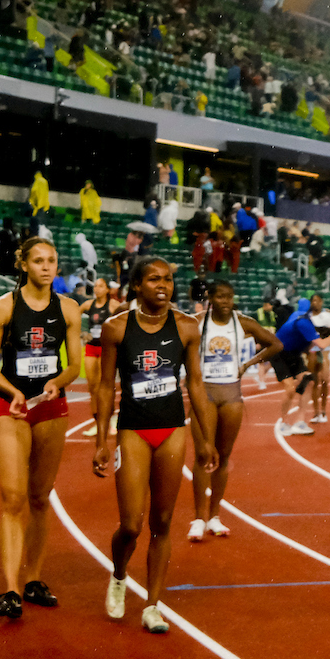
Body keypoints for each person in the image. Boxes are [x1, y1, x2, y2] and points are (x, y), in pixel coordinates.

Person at [93, 258, 219, 634]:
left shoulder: (186, 326)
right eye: (153, 279)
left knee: (162, 522)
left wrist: (206, 439)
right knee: (131, 525)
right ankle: (118, 575)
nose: (163, 285)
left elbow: (195, 383)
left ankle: (152, 605)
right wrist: (103, 439)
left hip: (172, 429)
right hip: (133, 430)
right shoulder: (115, 328)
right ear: (136, 286)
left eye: (167, 279)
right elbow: (104, 386)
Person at [0, 237, 83, 619]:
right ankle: (9, 589)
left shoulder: (69, 309)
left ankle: (34, 579)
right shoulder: (3, 308)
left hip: (51, 407)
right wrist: (10, 391)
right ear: (23, 264)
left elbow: (74, 364)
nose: (46, 267)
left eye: (52, 261)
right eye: (38, 261)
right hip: (13, 407)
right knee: (13, 499)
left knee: (41, 497)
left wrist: (61, 380)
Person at [187, 281, 282, 541]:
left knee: (224, 456)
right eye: (220, 296)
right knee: (203, 455)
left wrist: (247, 365)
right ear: (210, 298)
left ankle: (215, 516)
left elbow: (275, 345)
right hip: (205, 394)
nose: (226, 301)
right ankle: (198, 518)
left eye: (229, 296)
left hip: (232, 396)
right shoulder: (196, 322)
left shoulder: (243, 323)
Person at [271, 298, 330, 436]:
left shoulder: (301, 314)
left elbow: (303, 301)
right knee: (290, 388)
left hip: (293, 353)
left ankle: (299, 422)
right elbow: (322, 345)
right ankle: (283, 423)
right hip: (279, 353)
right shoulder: (305, 323)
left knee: (309, 382)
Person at [78, 278, 121, 438]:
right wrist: (82, 332)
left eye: (100, 286)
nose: (96, 289)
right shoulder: (88, 305)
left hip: (106, 350)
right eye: (95, 286)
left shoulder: (113, 306)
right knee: (92, 387)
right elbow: (73, 316)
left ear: (107, 290)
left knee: (106, 386)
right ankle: (97, 422)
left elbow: (125, 321)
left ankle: (111, 418)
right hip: (91, 348)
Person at [305, 294, 330, 424]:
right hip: (313, 350)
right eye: (313, 300)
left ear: (321, 302)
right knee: (314, 381)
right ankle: (316, 412)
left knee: (325, 380)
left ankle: (324, 410)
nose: (315, 303)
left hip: (325, 349)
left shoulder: (328, 315)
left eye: (317, 300)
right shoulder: (308, 316)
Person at [254, 298, 278, 388]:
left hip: (271, 341)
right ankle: (261, 381)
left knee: (273, 362)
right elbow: (254, 329)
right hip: (261, 341)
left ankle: (260, 376)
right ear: (265, 305)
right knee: (261, 362)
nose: (271, 307)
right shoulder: (257, 314)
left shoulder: (273, 314)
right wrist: (256, 342)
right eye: (270, 305)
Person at [28, 171, 50, 235]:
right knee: (42, 224)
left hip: (37, 205)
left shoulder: (37, 181)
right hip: (44, 205)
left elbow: (34, 191)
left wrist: (31, 201)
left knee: (35, 224)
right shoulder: (45, 181)